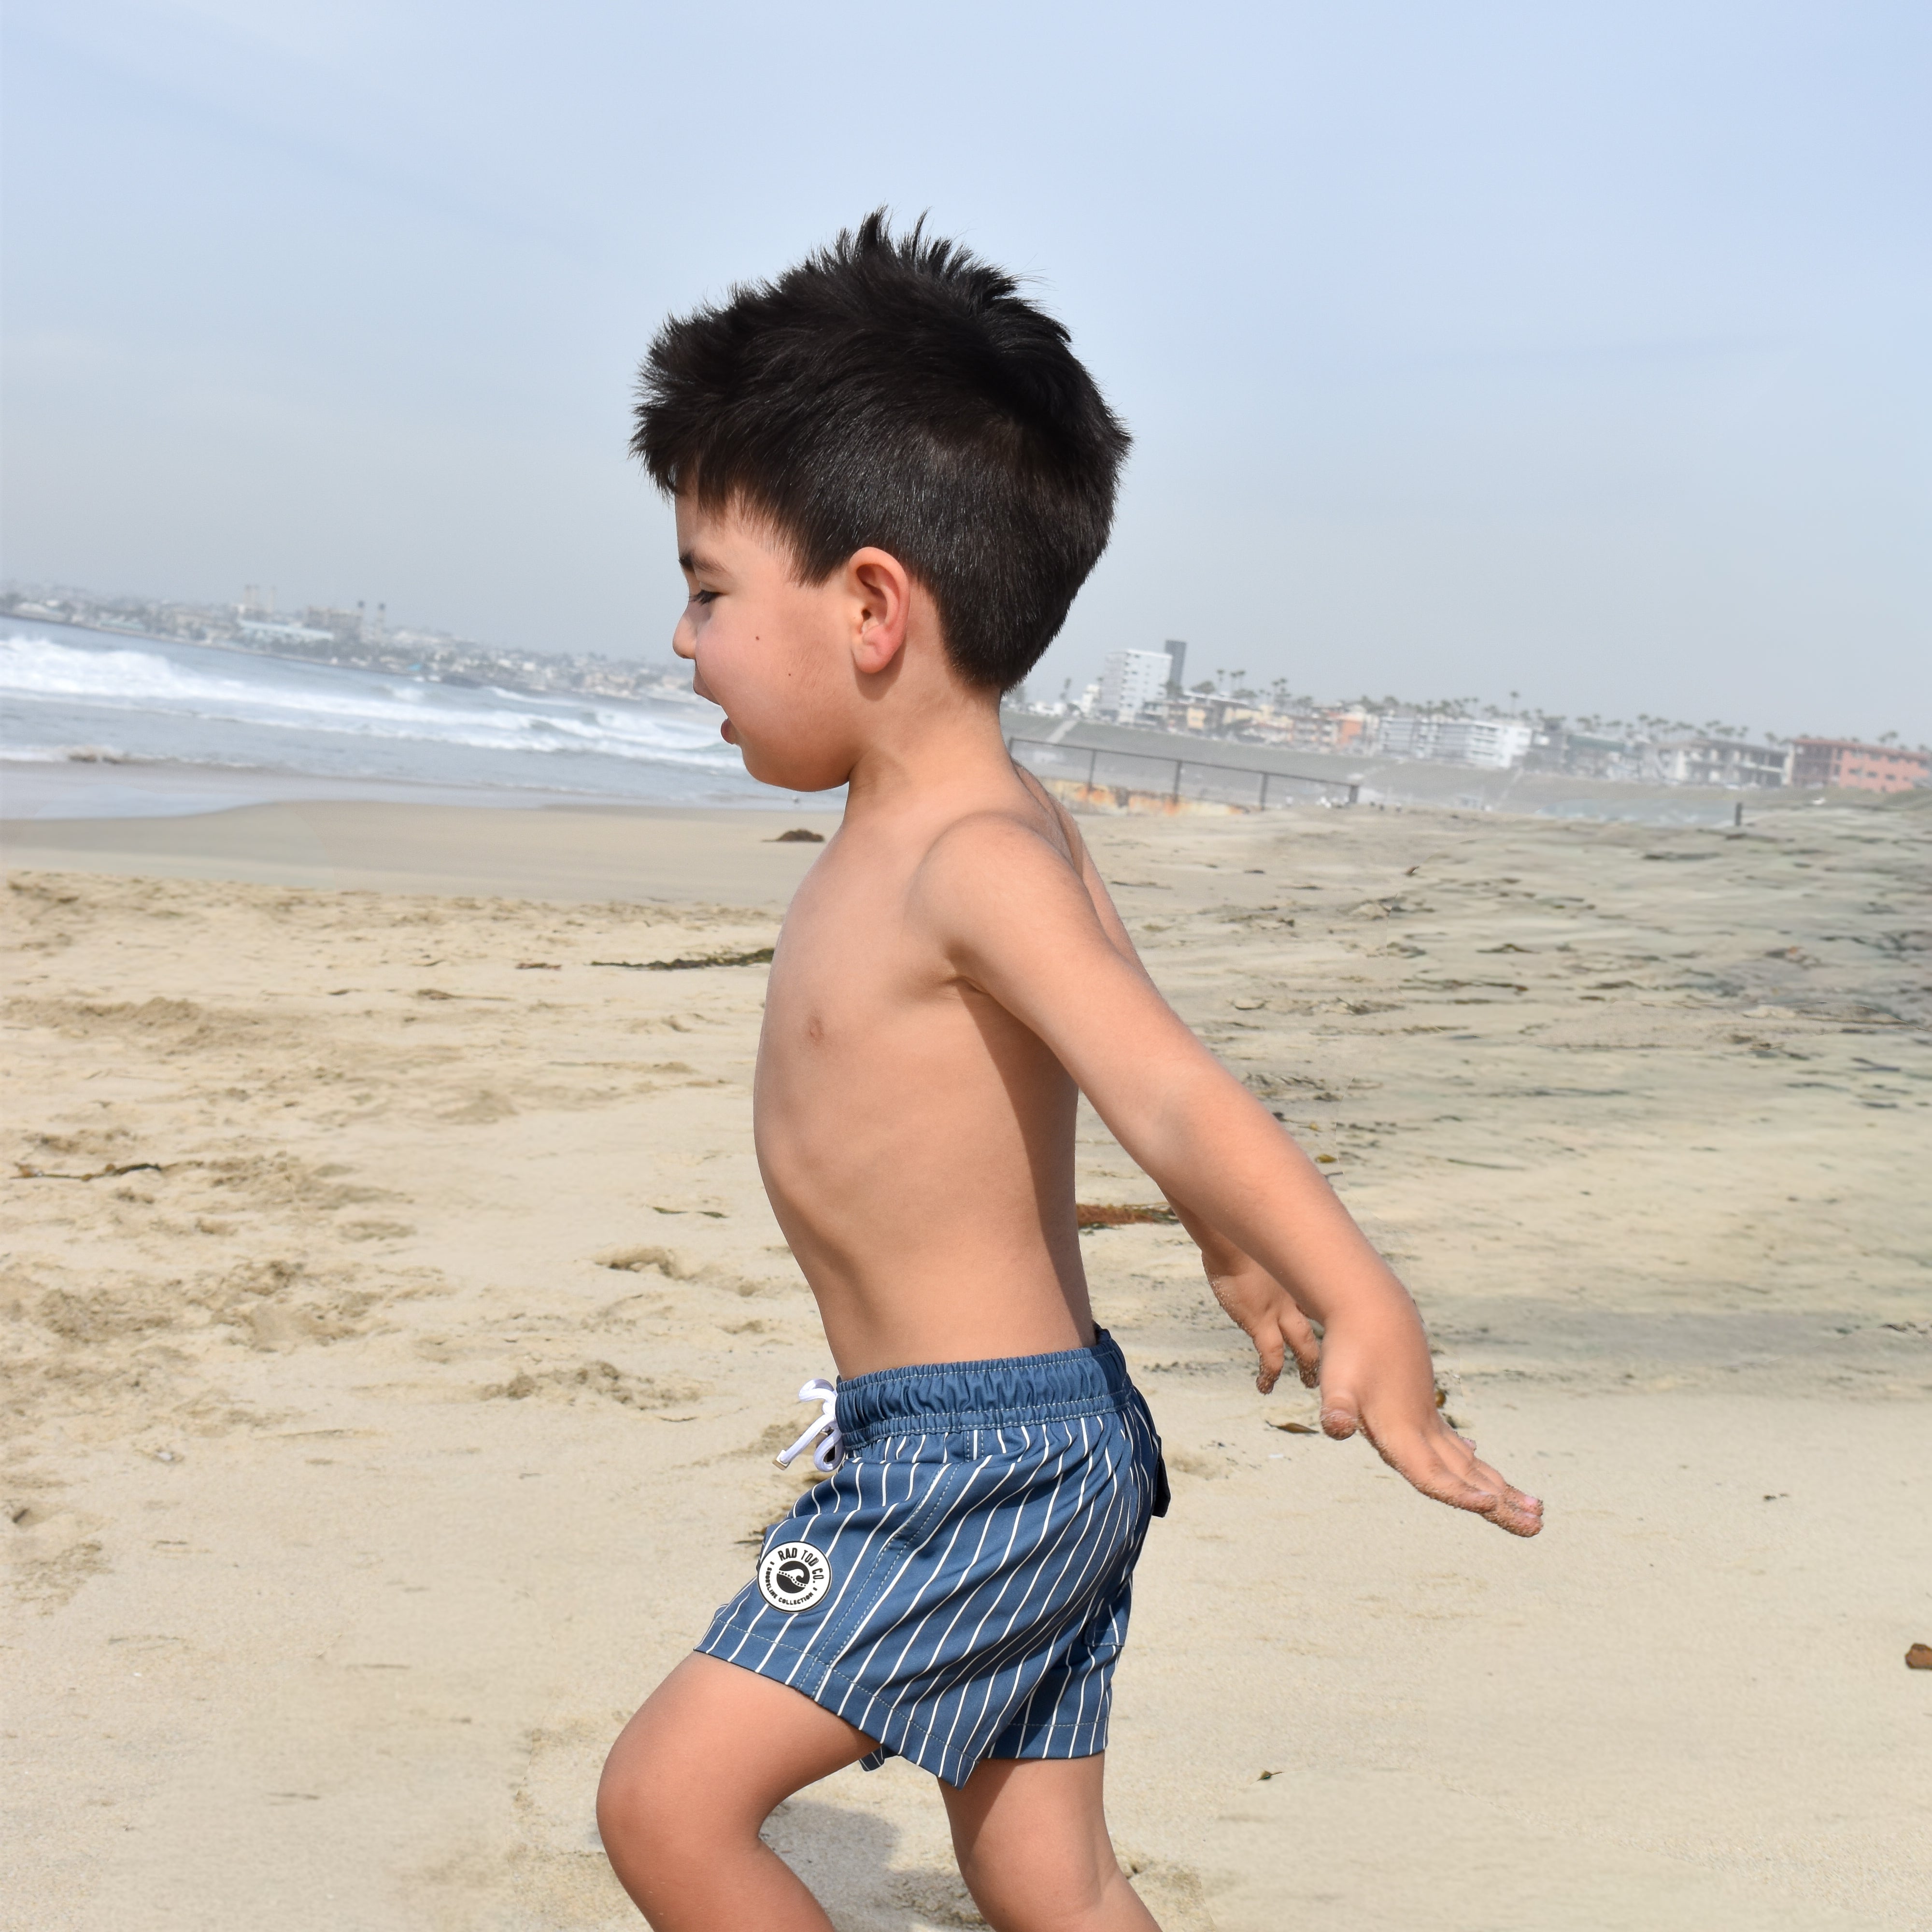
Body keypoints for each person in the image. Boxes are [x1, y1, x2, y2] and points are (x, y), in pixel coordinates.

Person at [596, 212, 1542, 1932]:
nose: (683, 642)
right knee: (1045, 1866)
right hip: (1007, 1437)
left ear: (872, 605)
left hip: (977, 1463)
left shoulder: (969, 857)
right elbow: (1113, 1035)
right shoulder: (988, 821)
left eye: (709, 591)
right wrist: (1229, 1246)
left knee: (668, 1804)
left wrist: (1359, 1291)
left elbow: (1168, 1083)